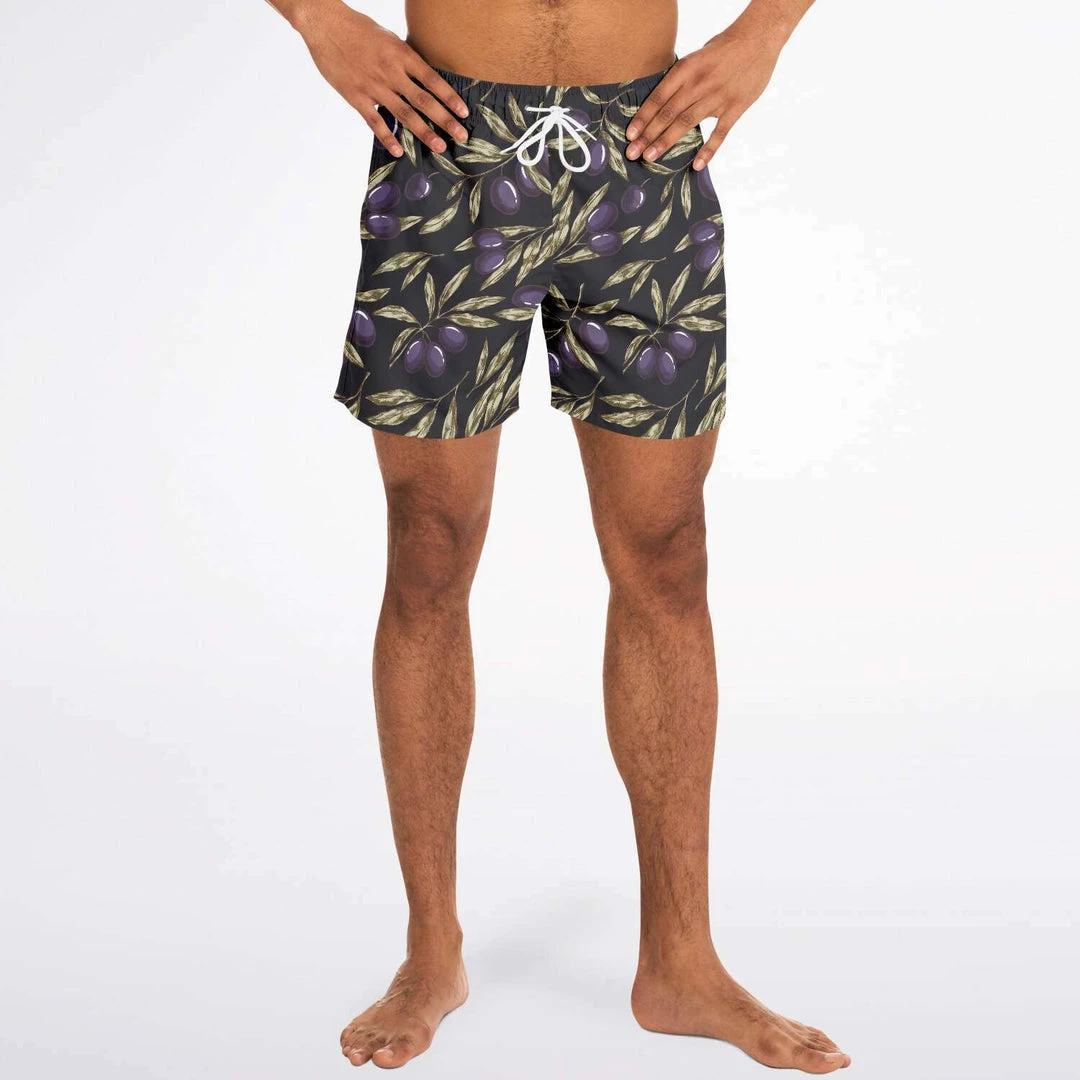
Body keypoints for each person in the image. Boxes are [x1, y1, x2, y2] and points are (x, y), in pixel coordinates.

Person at [267, 0, 850, 1071]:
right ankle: (431, 951)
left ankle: (680, 961)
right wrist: (317, 19)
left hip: (646, 146)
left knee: (667, 554)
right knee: (429, 548)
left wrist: (765, 30)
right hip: (446, 142)